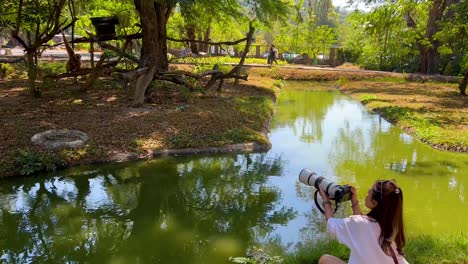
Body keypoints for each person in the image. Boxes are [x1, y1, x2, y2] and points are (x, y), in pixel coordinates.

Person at [318, 180, 408, 264]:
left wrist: (326, 199)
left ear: (374, 203)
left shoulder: (361, 224)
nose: (367, 194)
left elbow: (331, 222)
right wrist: (354, 200)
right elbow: (364, 224)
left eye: (369, 192)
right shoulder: (392, 225)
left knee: (325, 259)